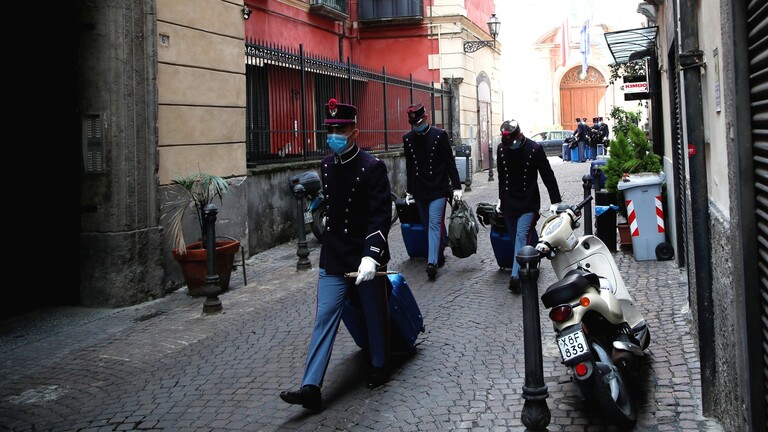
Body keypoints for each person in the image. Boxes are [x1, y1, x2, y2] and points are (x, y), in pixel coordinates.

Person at [280, 98, 393, 411]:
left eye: (340, 129)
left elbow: (380, 215)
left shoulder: (372, 167)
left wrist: (372, 256)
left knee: (374, 313)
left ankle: (380, 364)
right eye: (330, 129)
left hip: (365, 256)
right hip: (334, 255)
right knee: (325, 317)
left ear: (354, 131)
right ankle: (311, 387)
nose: (334, 135)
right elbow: (333, 203)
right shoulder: (326, 166)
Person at [495, 120, 562, 293]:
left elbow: (547, 175)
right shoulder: (502, 149)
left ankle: (517, 277)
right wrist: (500, 200)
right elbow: (502, 177)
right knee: (517, 236)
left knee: (520, 235)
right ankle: (532, 258)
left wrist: (555, 201)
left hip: (528, 202)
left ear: (520, 136)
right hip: (509, 202)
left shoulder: (534, 149)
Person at [402, 102, 463, 281]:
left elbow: (449, 163)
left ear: (426, 118)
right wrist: (409, 191)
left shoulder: (439, 135)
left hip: (438, 188)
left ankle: (432, 264)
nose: (417, 126)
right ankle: (439, 252)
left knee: (435, 224)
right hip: (420, 190)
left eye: (419, 122)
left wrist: (457, 187)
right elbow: (410, 167)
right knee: (428, 225)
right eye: (414, 123)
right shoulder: (408, 139)